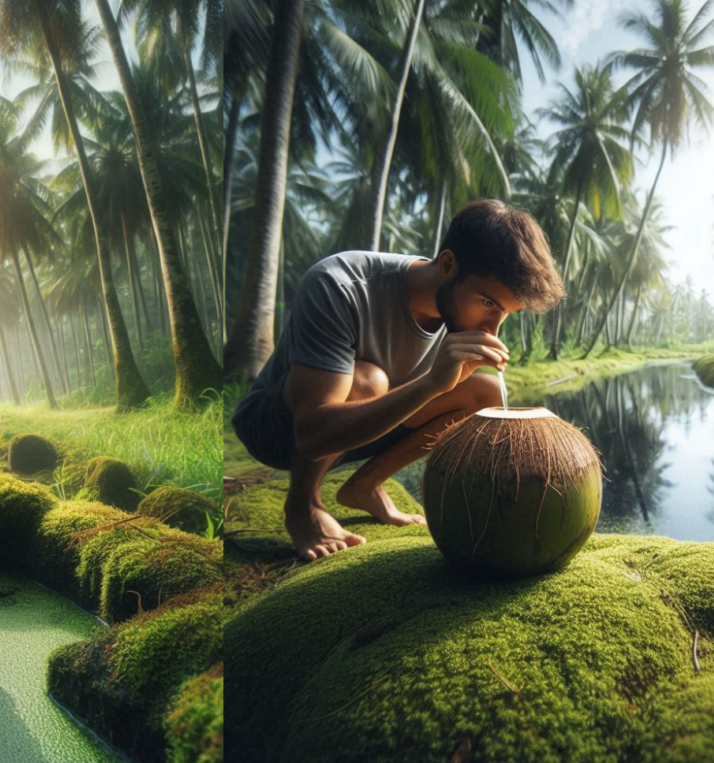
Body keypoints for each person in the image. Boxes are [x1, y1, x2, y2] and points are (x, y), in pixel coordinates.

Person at [231, 199, 565, 561]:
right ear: (448, 264)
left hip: (364, 427)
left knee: (484, 390)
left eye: (506, 313)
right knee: (368, 381)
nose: (492, 328)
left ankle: (366, 484)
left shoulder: (461, 311)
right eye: (487, 303)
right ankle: (304, 506)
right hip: (279, 430)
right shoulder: (340, 285)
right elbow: (310, 436)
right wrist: (434, 383)